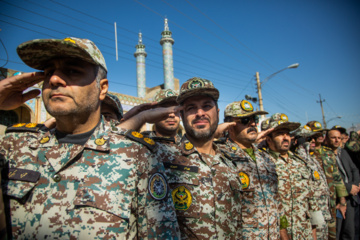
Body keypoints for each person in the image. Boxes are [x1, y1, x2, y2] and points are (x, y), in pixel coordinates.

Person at [0, 37, 180, 239]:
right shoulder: (15, 146)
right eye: (49, 72)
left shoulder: (137, 156)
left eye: (72, 71)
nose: (54, 80)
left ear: (102, 88)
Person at [121, 77, 244, 239]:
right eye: (191, 108)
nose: (200, 113)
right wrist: (142, 117)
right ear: (182, 113)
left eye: (207, 106)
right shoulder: (157, 155)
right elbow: (110, 144)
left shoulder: (231, 161)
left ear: (218, 112)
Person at [217, 100, 289, 239]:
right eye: (245, 120)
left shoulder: (265, 157)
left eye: (254, 119)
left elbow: (276, 198)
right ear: (229, 125)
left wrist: (283, 232)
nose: (252, 124)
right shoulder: (219, 155)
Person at [264, 113, 323, 240]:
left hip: (304, 231)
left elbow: (311, 201)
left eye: (287, 134)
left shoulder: (300, 163)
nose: (285, 137)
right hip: (278, 234)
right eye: (280, 134)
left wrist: (314, 234)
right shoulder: (263, 164)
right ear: (269, 139)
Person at [307, 121, 348, 240]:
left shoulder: (328, 153)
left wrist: (342, 201)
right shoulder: (306, 155)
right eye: (316, 133)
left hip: (332, 203)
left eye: (322, 133)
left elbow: (337, 178)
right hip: (317, 205)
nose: (320, 136)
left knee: (333, 234)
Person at [293, 126, 332, 240]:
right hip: (313, 214)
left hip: (323, 210)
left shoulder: (311, 158)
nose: (313, 141)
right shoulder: (300, 160)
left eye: (314, 138)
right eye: (309, 139)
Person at [326, 127, 360, 240]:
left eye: (339, 138)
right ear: (327, 139)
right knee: (337, 232)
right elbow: (330, 178)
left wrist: (356, 184)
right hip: (337, 199)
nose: (337, 140)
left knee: (350, 231)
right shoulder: (324, 156)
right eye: (333, 138)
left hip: (352, 197)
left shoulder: (343, 152)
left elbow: (354, 169)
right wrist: (349, 187)